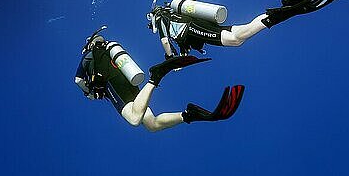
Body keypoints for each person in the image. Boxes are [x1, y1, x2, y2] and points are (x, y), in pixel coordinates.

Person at [147, 0, 349, 59]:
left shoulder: (162, 19)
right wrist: (183, 55)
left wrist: (170, 60)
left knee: (236, 40)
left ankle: (290, 9)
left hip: (195, 27)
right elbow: (184, 44)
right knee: (241, 33)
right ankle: (292, 7)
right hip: (198, 26)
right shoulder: (170, 16)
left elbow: (167, 41)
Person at [75, 27, 244, 132]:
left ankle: (155, 77)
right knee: (152, 125)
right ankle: (188, 115)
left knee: (134, 120)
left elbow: (78, 80)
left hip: (112, 83)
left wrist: (88, 92)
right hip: (129, 83)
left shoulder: (88, 57)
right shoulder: (110, 49)